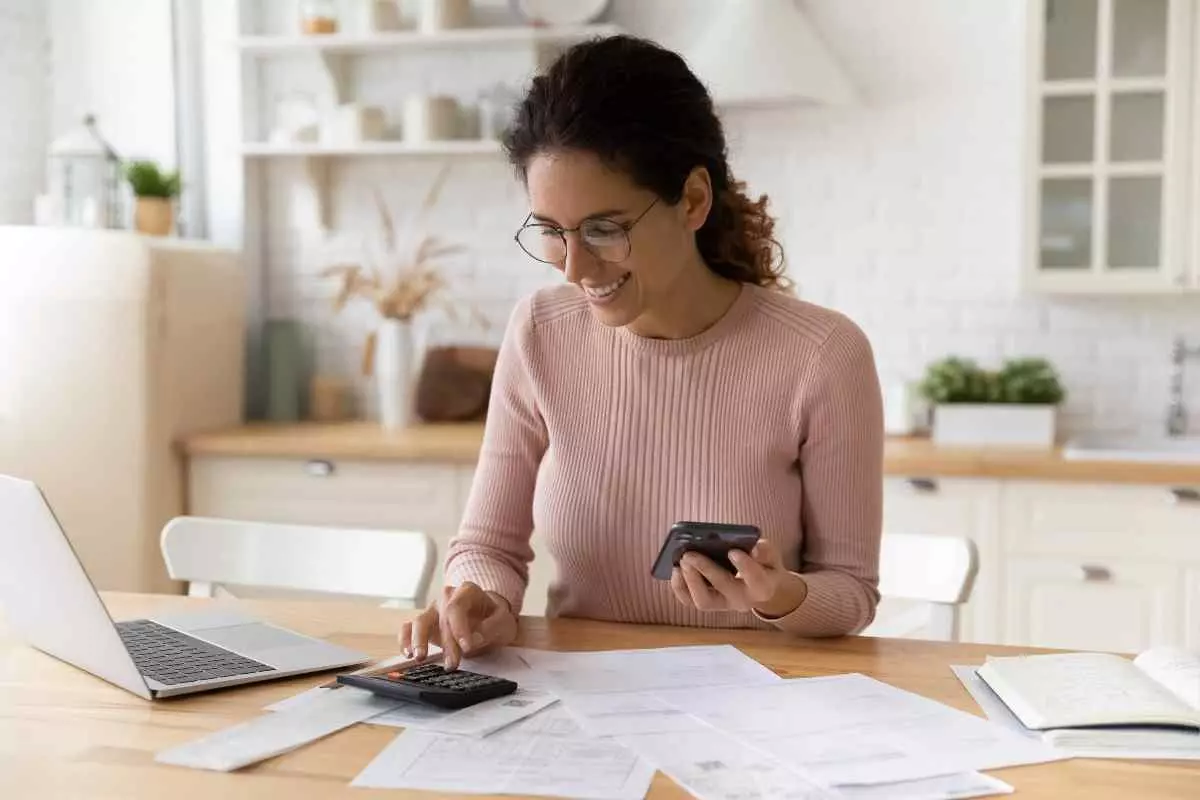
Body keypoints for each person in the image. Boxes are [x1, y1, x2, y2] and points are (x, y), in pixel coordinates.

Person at [401, 34, 884, 669]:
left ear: (692, 200)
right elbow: (489, 544)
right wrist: (482, 600)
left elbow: (851, 592)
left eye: (604, 229)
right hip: (578, 703)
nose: (574, 268)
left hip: (757, 710)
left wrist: (780, 595)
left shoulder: (822, 354)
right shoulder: (541, 332)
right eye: (551, 232)